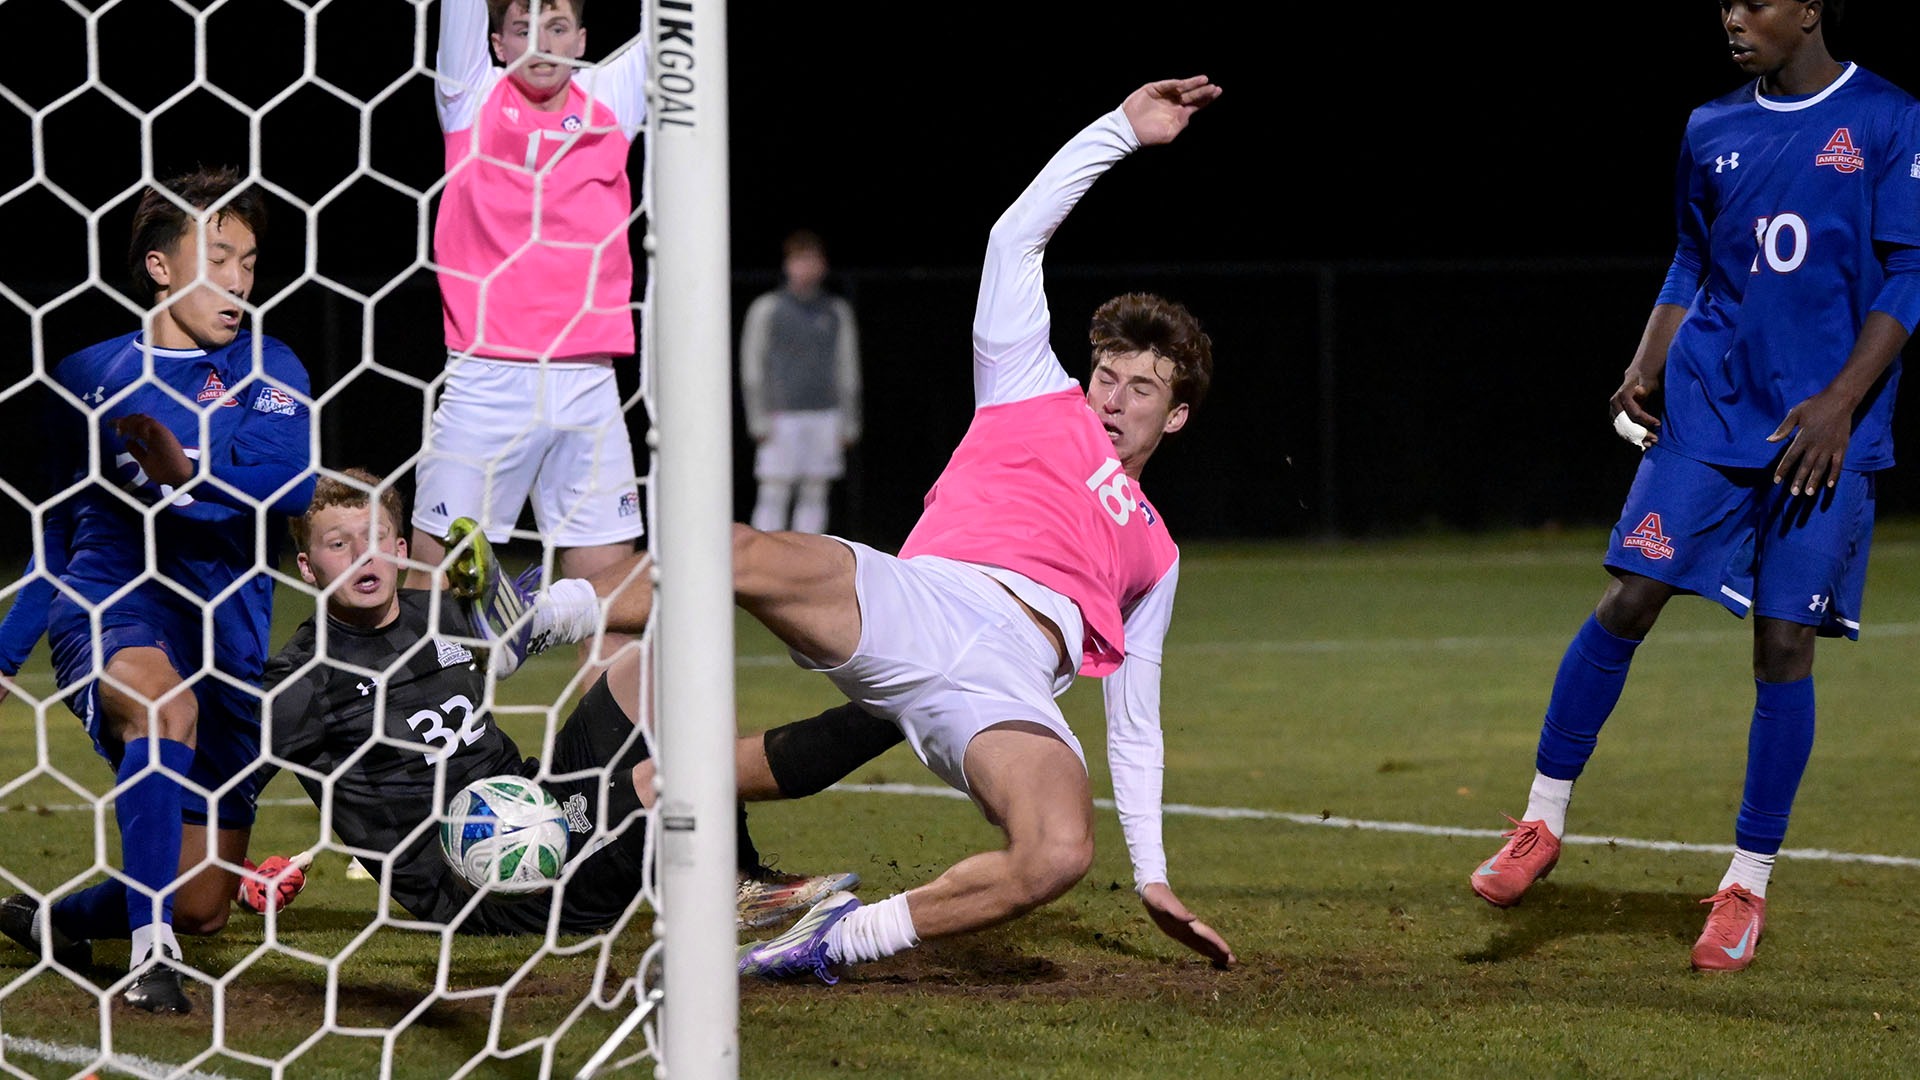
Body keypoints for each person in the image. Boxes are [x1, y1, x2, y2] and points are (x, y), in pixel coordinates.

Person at [718, 75, 1237, 981]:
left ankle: (831, 942)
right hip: (928, 602)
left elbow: (1135, 721)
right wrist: (1119, 131)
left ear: (1177, 415)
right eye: (1107, 377)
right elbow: (1014, 238)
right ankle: (549, 610)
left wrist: (1152, 876)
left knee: (1057, 852)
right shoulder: (1028, 384)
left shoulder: (1157, 549)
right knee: (732, 551)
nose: (1114, 400)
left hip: (1008, 684)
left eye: (1142, 389)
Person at [1468, 0, 1920, 973]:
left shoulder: (1887, 117)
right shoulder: (1710, 125)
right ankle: (1541, 821)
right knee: (1631, 592)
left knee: (1784, 643)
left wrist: (1841, 401)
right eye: (1726, 2)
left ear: (1809, 9)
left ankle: (1745, 886)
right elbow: (1692, 256)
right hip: (1710, 408)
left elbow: (1908, 274)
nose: (1734, 17)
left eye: (1756, 1)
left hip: (1822, 428)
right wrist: (1646, 361)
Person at [256, 470, 862, 934]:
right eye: (339, 544)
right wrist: (235, 874)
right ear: (306, 567)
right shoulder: (303, 680)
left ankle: (735, 874)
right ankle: (876, 726)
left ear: (400, 546)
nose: (363, 555)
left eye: (375, 538)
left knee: (665, 659)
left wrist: (533, 617)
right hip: (479, 881)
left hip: (536, 803)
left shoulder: (438, 613)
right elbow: (224, 781)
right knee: (661, 779)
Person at [0, 166, 316, 1013]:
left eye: (251, 261)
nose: (241, 281)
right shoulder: (87, 373)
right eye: (220, 259)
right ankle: (150, 960)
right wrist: (5, 654)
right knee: (161, 707)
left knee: (203, 903)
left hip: (230, 636)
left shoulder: (268, 366)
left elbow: (291, 482)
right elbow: (56, 533)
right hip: (114, 602)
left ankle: (53, 923)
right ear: (161, 266)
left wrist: (189, 472)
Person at [406, 0, 648, 683]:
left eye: (558, 28)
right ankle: (416, 738)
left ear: (582, 39)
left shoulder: (610, 98)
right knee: (432, 586)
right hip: (488, 377)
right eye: (523, 29)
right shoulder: (470, 94)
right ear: (496, 42)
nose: (542, 43)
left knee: (614, 601)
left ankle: (616, 751)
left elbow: (677, 22)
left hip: (589, 382)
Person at [739, 229, 863, 535]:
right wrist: (757, 418)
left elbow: (847, 367)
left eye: (812, 260)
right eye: (799, 260)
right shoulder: (767, 309)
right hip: (780, 415)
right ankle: (767, 557)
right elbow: (752, 367)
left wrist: (849, 420)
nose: (806, 267)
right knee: (774, 490)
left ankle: (806, 556)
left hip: (825, 414)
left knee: (815, 491)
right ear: (787, 265)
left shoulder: (836, 310)